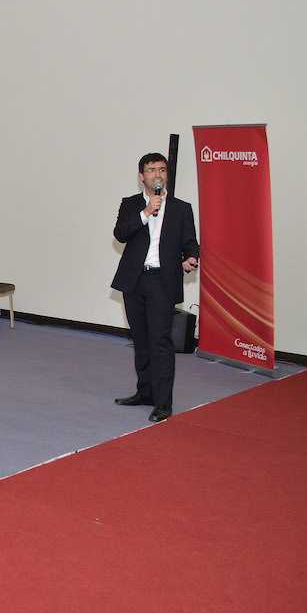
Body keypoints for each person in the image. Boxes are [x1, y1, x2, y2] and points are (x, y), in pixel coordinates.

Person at [111, 153, 200, 422]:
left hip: (162, 280)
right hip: (134, 279)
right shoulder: (130, 204)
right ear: (142, 176)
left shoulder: (181, 208)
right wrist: (146, 212)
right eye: (151, 170)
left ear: (166, 175)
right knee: (141, 339)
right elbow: (120, 234)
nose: (157, 174)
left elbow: (190, 242)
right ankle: (145, 392)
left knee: (160, 340)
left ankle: (163, 402)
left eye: (161, 169)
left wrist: (191, 257)